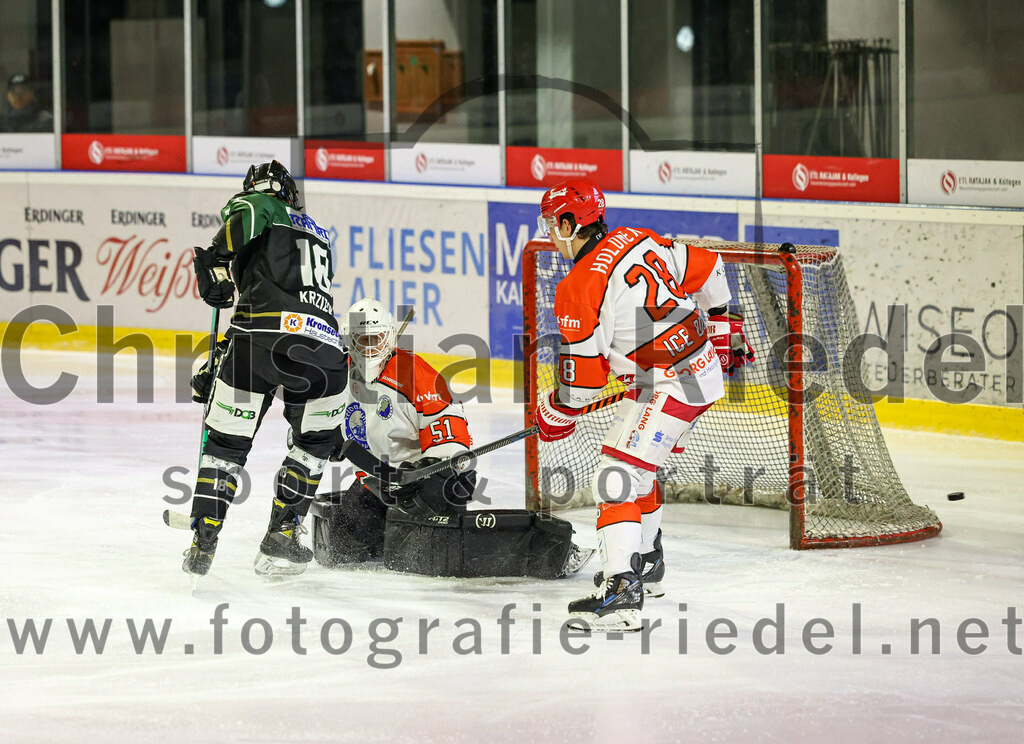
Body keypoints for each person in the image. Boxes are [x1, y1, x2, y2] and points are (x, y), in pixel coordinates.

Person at [534, 179, 754, 631]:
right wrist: (723, 323)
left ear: (570, 222)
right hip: (698, 367)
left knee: (614, 477)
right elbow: (710, 266)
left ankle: (623, 592)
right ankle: (647, 564)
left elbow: (586, 382)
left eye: (553, 223)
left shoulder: (578, 286)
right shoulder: (636, 236)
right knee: (636, 467)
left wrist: (555, 412)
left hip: (671, 383)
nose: (550, 234)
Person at [313, 297, 594, 580]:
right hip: (378, 481)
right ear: (348, 340)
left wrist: (423, 472)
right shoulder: (339, 375)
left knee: (427, 556)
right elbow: (320, 417)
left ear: (389, 338)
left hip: (427, 481)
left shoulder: (416, 376)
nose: (370, 348)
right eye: (362, 340)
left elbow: (452, 439)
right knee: (342, 546)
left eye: (377, 339)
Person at [185, 160, 347, 577]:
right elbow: (297, 300)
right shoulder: (320, 233)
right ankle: (284, 530)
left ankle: (203, 541)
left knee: (226, 444)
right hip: (325, 350)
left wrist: (215, 259)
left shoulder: (259, 204)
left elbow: (245, 218)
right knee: (314, 444)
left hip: (259, 339)